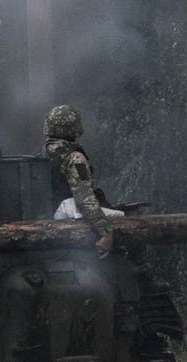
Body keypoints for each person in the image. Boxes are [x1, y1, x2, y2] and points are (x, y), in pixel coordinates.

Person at [43, 105, 114, 258]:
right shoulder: (75, 159)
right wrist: (106, 233)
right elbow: (84, 198)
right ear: (73, 127)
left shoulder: (43, 155)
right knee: (125, 219)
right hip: (70, 218)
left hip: (48, 221)